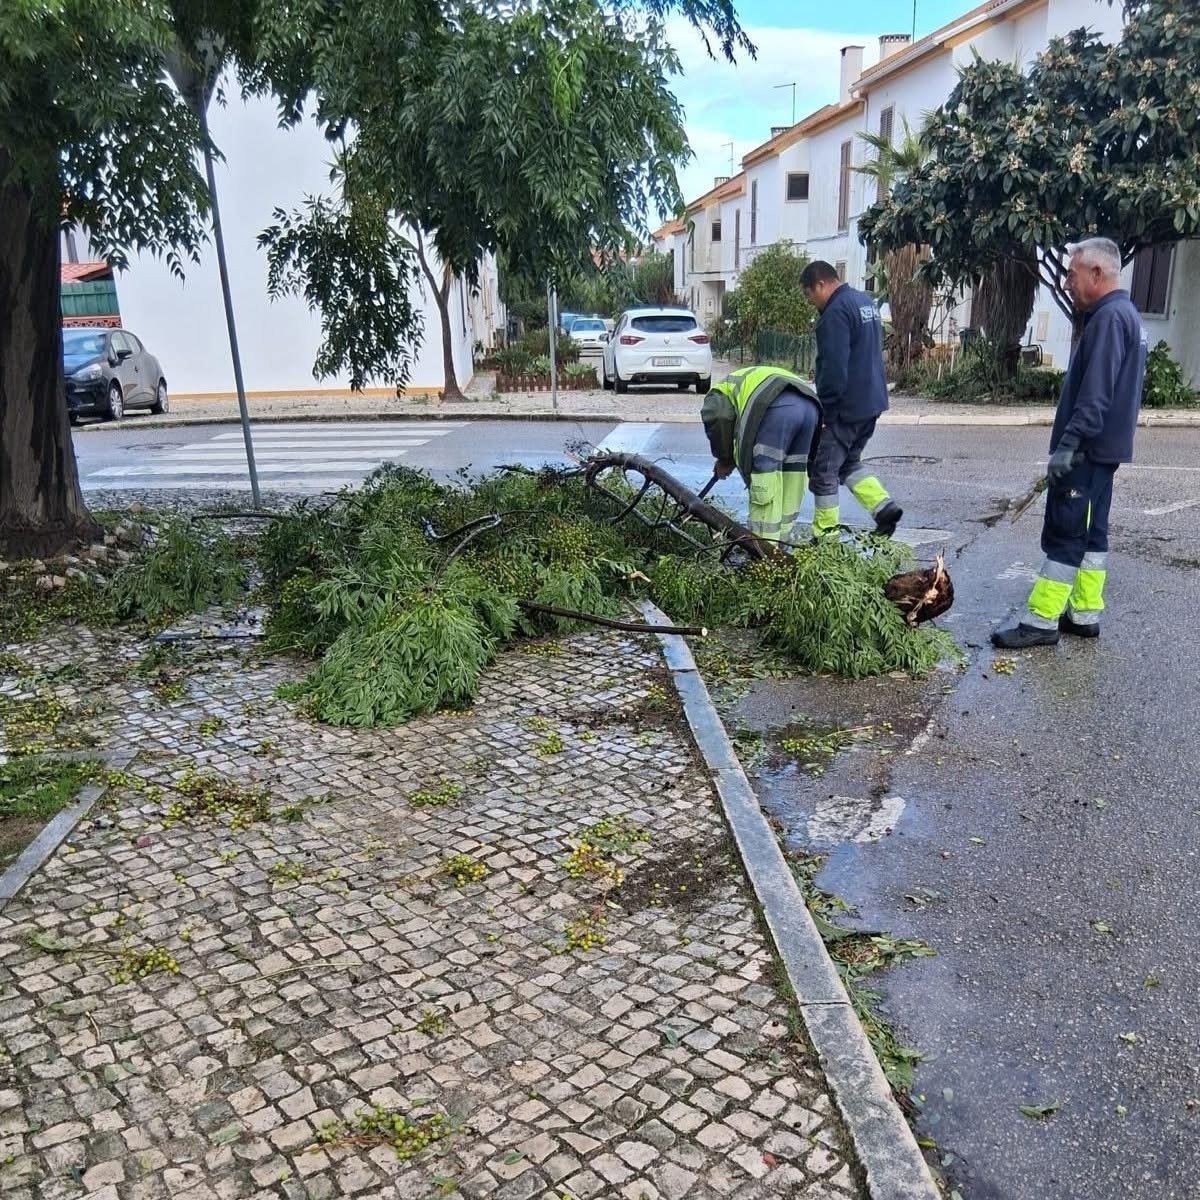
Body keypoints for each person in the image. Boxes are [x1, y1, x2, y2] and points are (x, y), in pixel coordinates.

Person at [992, 237, 1148, 649]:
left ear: (1096, 273)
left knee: (1067, 530)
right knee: (1093, 533)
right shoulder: (1125, 315)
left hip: (1086, 451)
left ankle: (1041, 622)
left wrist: (1069, 444)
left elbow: (1095, 396)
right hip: (1103, 451)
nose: (1065, 283)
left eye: (1071, 274)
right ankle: (1084, 613)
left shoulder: (1109, 319)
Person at [800, 260, 903, 538]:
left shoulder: (834, 313)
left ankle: (826, 538)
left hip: (846, 408)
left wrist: (827, 413)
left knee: (824, 472)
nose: (810, 301)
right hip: (872, 401)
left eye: (808, 294)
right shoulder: (864, 302)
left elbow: (833, 368)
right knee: (848, 462)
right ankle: (884, 508)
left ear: (820, 284)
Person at [701, 365, 821, 547]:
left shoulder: (719, 391)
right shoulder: (749, 378)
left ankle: (761, 550)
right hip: (810, 408)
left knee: (764, 482)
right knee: (792, 478)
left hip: (776, 409)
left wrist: (724, 458)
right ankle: (783, 548)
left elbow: (720, 417)